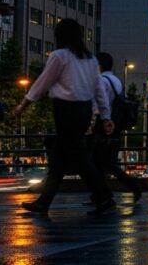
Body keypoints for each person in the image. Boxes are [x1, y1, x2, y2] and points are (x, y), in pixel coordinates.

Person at [13, 18, 116, 216]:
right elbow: (98, 91)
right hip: (84, 110)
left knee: (79, 158)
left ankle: (105, 196)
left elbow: (43, 82)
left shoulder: (59, 56)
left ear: (60, 36)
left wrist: (24, 104)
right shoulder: (90, 59)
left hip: (65, 110)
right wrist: (106, 116)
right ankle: (44, 202)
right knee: (60, 159)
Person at [90, 52, 142, 201]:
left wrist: (97, 118)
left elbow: (100, 103)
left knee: (99, 160)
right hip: (117, 123)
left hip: (105, 122)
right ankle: (101, 193)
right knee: (105, 161)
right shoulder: (116, 80)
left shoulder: (101, 81)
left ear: (99, 66)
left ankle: (107, 192)